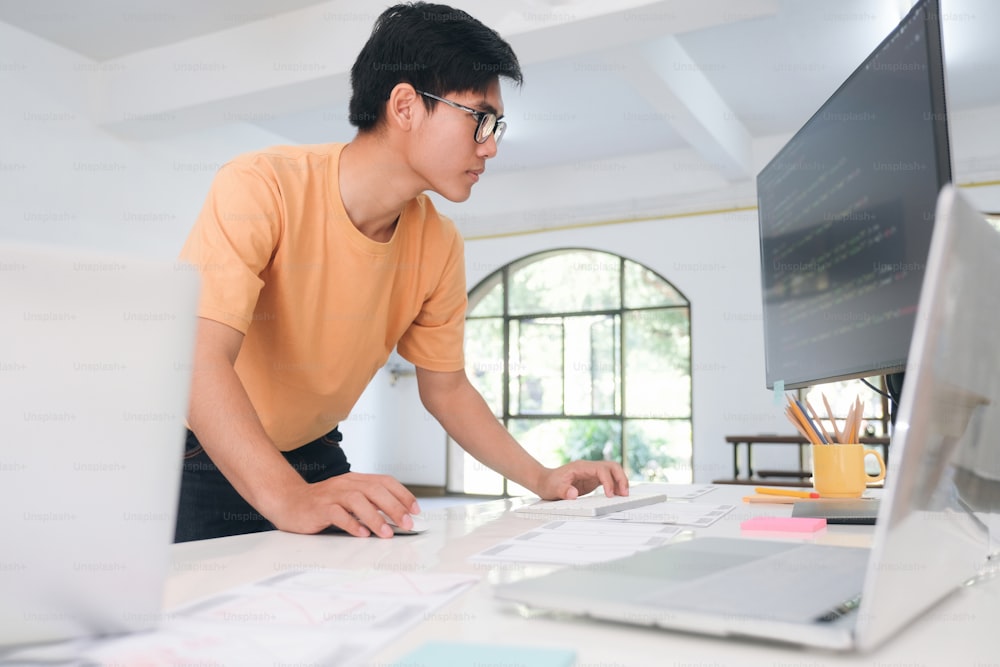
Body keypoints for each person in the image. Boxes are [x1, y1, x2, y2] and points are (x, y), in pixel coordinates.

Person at [174, 2, 629, 543]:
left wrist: (541, 477)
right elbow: (197, 361)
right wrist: (288, 496)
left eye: (498, 126)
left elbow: (448, 389)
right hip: (206, 453)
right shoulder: (260, 186)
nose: (491, 146)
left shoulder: (438, 243)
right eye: (480, 119)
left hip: (315, 450)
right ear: (406, 105)